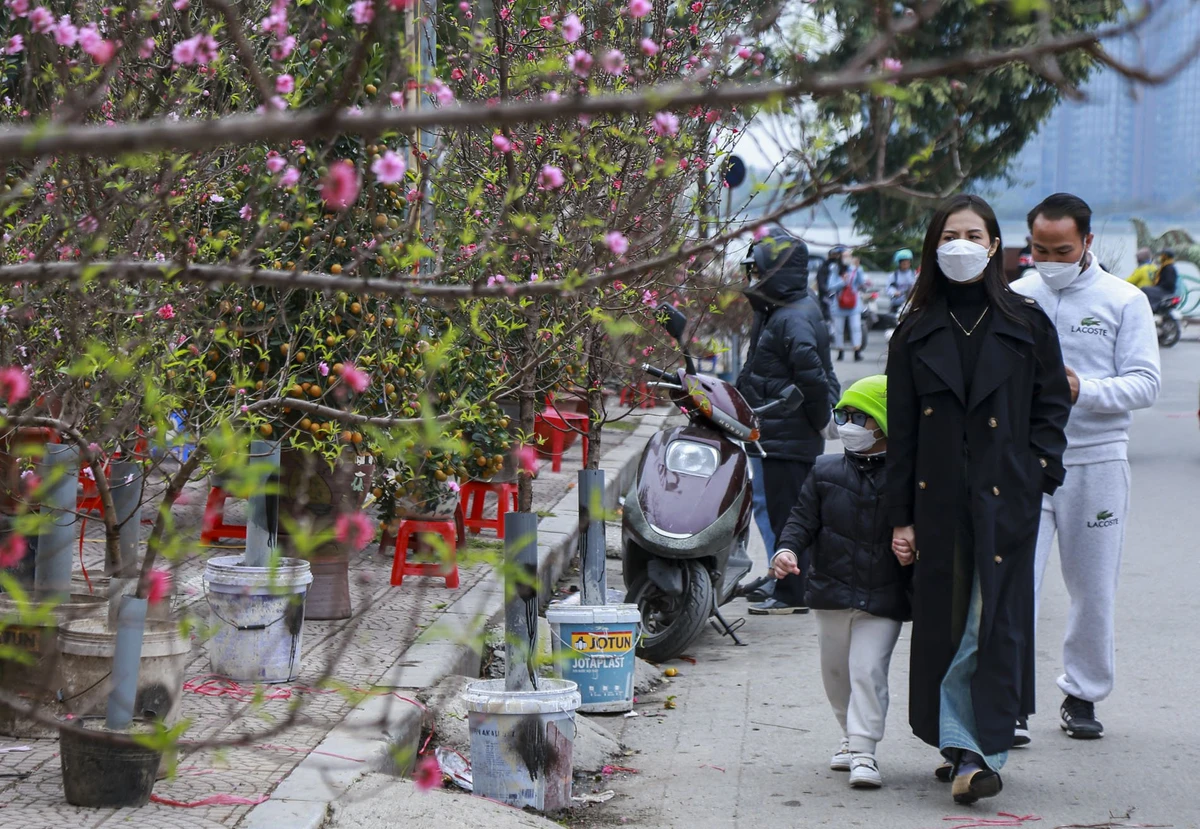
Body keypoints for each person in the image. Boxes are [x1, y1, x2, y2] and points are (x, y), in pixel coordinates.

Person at [886, 194, 1071, 805]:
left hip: (1004, 498)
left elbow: (1051, 406)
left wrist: (1038, 470)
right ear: (933, 248)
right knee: (946, 620)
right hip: (937, 503)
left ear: (994, 244)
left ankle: (977, 749)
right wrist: (901, 519)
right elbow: (903, 433)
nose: (959, 245)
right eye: (948, 235)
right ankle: (958, 738)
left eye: (972, 234)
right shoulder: (914, 331)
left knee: (988, 620)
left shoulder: (1026, 321)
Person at [1013, 193, 1160, 741]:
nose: (1050, 260)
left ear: (1088, 244)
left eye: (1062, 250)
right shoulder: (1015, 297)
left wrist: (1084, 389)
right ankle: (1011, 698)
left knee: (1092, 588)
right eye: (1039, 250)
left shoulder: (1124, 301)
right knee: (1014, 584)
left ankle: (1083, 694)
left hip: (1097, 461)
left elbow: (1146, 383)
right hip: (1025, 461)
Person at [770, 375, 910, 790]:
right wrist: (786, 550)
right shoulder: (825, 470)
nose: (845, 424)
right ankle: (848, 737)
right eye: (842, 414)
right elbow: (800, 520)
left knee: (868, 670)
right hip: (830, 592)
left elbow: (925, 527)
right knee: (836, 673)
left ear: (884, 424)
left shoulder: (907, 480)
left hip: (884, 595)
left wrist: (913, 548)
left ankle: (865, 751)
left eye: (857, 417)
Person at [736, 228, 840, 615]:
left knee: (788, 514)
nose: (752, 279)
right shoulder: (780, 309)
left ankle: (792, 592)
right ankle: (785, 581)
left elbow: (813, 378)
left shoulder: (792, 318)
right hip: (776, 433)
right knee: (776, 509)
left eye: (758, 270)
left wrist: (816, 423)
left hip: (787, 435)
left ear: (777, 272)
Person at [828, 249, 868, 362]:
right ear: (840, 257)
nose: (847, 258)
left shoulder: (855, 269)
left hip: (854, 304)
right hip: (839, 305)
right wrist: (843, 281)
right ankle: (840, 351)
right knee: (838, 329)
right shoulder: (835, 269)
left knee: (855, 327)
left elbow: (861, 283)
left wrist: (858, 269)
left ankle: (857, 351)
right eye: (845, 256)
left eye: (849, 256)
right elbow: (830, 286)